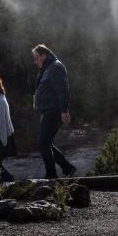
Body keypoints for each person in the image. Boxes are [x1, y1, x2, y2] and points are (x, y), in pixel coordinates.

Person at [31, 44, 77, 179]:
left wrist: (65, 110)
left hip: (54, 111)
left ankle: (51, 175)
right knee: (46, 142)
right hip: (48, 111)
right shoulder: (47, 68)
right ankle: (68, 168)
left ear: (44, 55)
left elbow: (63, 90)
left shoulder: (55, 67)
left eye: (36, 58)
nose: (35, 61)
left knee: (43, 142)